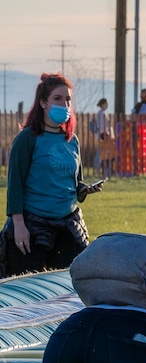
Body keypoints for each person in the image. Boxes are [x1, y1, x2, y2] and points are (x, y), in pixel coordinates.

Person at [1, 73, 103, 278]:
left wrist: (84, 189)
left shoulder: (72, 140)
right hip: (32, 226)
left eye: (68, 100)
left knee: (69, 287)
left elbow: (74, 182)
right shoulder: (27, 139)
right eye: (58, 98)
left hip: (67, 227)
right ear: (43, 103)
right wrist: (19, 226)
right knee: (25, 288)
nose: (64, 104)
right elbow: (15, 184)